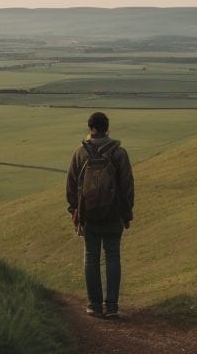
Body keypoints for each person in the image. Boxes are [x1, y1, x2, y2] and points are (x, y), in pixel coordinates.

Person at [66, 111, 134, 319]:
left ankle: (94, 305)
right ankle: (111, 306)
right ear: (107, 128)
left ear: (90, 128)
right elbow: (127, 186)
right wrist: (126, 213)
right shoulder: (119, 153)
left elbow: (71, 184)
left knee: (91, 258)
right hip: (114, 215)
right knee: (113, 256)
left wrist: (74, 209)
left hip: (89, 215)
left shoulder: (80, 152)